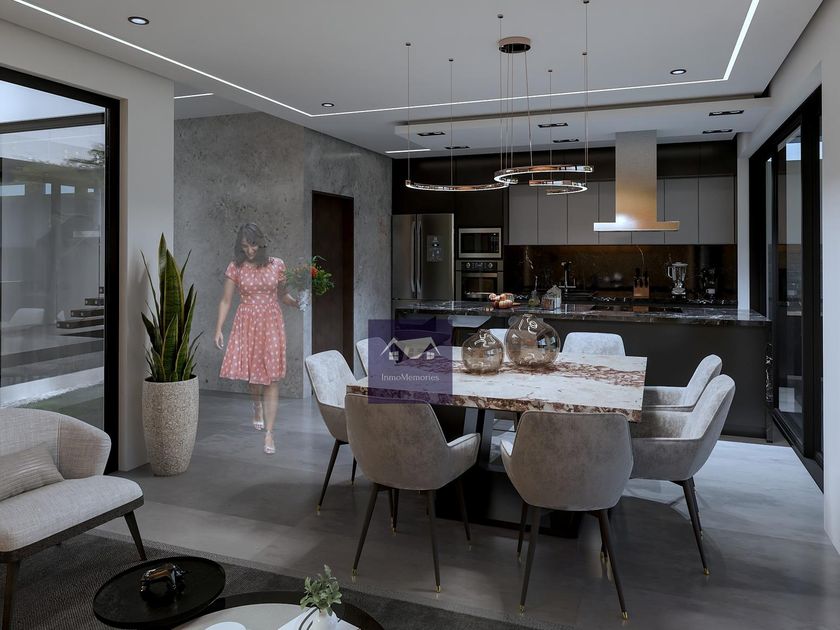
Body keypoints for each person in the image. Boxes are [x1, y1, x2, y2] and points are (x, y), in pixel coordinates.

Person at [214, 223, 302, 454]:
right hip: (247, 323)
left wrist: (296, 303)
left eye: (253, 245)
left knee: (271, 378)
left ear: (261, 243)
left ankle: (269, 434)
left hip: (271, 323)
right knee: (254, 379)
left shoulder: (277, 264)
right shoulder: (236, 267)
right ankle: (256, 405)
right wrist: (218, 328)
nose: (249, 250)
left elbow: (283, 295)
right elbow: (226, 300)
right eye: (244, 246)